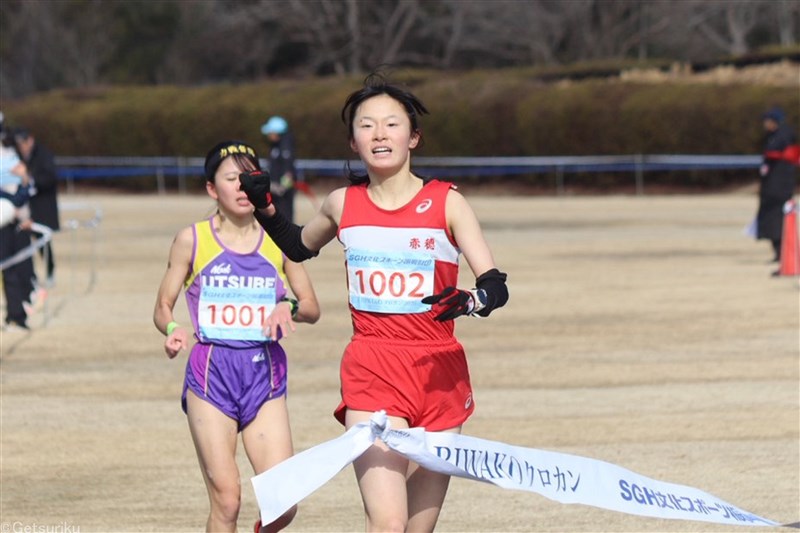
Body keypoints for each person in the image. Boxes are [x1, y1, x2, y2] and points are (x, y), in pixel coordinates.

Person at [240, 74, 509, 532]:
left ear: (414, 137)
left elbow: (494, 286)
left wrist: (470, 299)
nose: (379, 134)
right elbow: (299, 246)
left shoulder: (447, 203)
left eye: (391, 124)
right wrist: (265, 207)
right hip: (372, 369)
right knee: (388, 524)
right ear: (353, 140)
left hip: (439, 375)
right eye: (367, 126)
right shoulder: (342, 204)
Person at [153, 140, 320, 533]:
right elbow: (163, 306)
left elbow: (311, 305)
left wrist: (289, 307)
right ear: (213, 189)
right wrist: (175, 329)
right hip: (212, 375)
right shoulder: (192, 240)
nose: (244, 188)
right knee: (227, 501)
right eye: (232, 179)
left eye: (250, 178)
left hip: (264, 375)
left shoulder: (279, 238)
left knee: (283, 504)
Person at [0, 114, 36, 331]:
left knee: (10, 267)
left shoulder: (9, 157)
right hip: (10, 213)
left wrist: (21, 212)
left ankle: (17, 313)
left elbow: (23, 187)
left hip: (7, 219)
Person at [14, 128, 60, 288]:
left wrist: (30, 180)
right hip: (23, 207)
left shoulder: (44, 155)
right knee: (22, 243)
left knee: (43, 242)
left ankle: (50, 271)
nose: (22, 147)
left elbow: (50, 178)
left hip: (41, 207)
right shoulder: (17, 156)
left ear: (30, 140)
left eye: (23, 143)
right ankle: (30, 276)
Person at [756, 106, 798, 271]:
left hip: (779, 188)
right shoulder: (771, 137)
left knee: (780, 220)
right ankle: (777, 253)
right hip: (770, 188)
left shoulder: (784, 136)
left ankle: (783, 253)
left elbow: (790, 156)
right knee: (770, 220)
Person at [260, 116, 301, 223]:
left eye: (270, 132)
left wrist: (282, 187)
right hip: (274, 192)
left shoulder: (285, 147)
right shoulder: (275, 147)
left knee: (284, 217)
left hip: (282, 194)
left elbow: (288, 170)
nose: (268, 135)